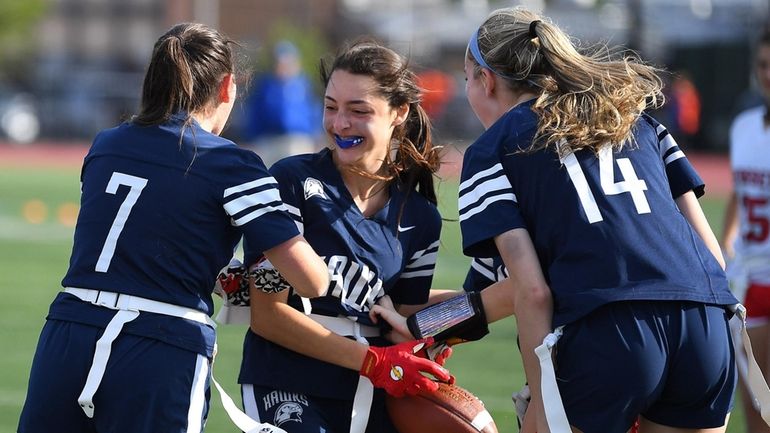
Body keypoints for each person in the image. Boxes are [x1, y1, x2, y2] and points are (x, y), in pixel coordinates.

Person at [375, 7, 738, 433]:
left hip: (610, 332)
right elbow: (711, 255)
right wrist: (423, 324)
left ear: (485, 80)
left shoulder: (495, 147)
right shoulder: (640, 122)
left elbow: (531, 291)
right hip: (707, 325)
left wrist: (543, 399)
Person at [17, 22, 333, 433]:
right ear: (226, 87)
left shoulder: (106, 144)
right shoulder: (231, 164)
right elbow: (312, 281)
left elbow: (147, 233)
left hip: (69, 333)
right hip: (161, 345)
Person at [229, 40, 452, 433]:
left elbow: (405, 316)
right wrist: (374, 362)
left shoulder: (421, 218)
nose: (339, 124)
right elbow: (268, 316)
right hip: (285, 382)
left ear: (399, 112)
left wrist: (440, 334)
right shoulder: (290, 181)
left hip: (371, 392)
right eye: (331, 107)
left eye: (358, 111)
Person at [721, 27, 770, 433]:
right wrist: (726, 238)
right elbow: (740, 190)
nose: (769, 74)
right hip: (749, 279)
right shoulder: (745, 126)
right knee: (757, 404)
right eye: (763, 65)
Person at [242, 40, 322, 166]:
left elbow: (315, 111)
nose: (283, 65)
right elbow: (255, 112)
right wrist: (251, 138)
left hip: (298, 140)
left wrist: (317, 136)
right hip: (269, 140)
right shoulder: (266, 84)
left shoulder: (304, 84)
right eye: (280, 61)